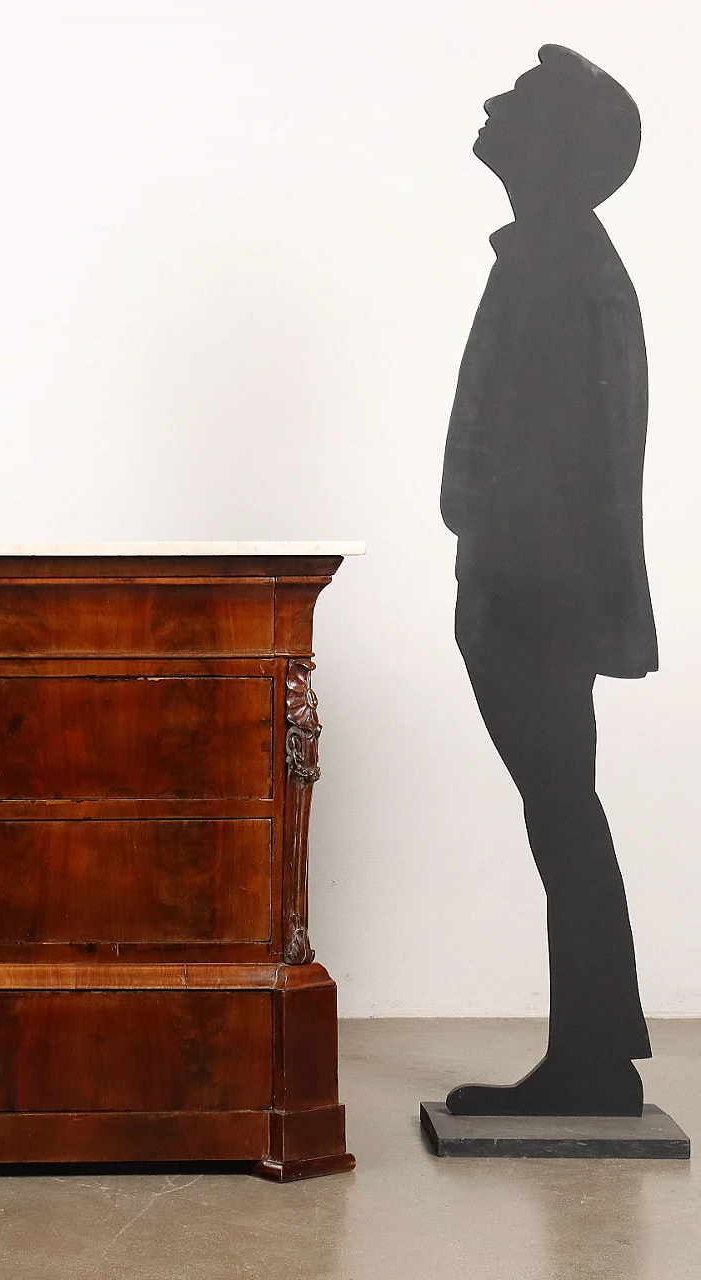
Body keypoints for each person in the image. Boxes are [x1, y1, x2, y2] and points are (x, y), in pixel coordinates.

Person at [440, 44, 656, 1115]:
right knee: (562, 809)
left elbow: (568, 457)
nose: (493, 102)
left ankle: (592, 1060)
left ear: (558, 144)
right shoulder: (551, 259)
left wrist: (507, 579)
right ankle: (595, 1050)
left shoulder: (560, 268)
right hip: (528, 586)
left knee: (562, 808)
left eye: (521, 99)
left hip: (535, 592)